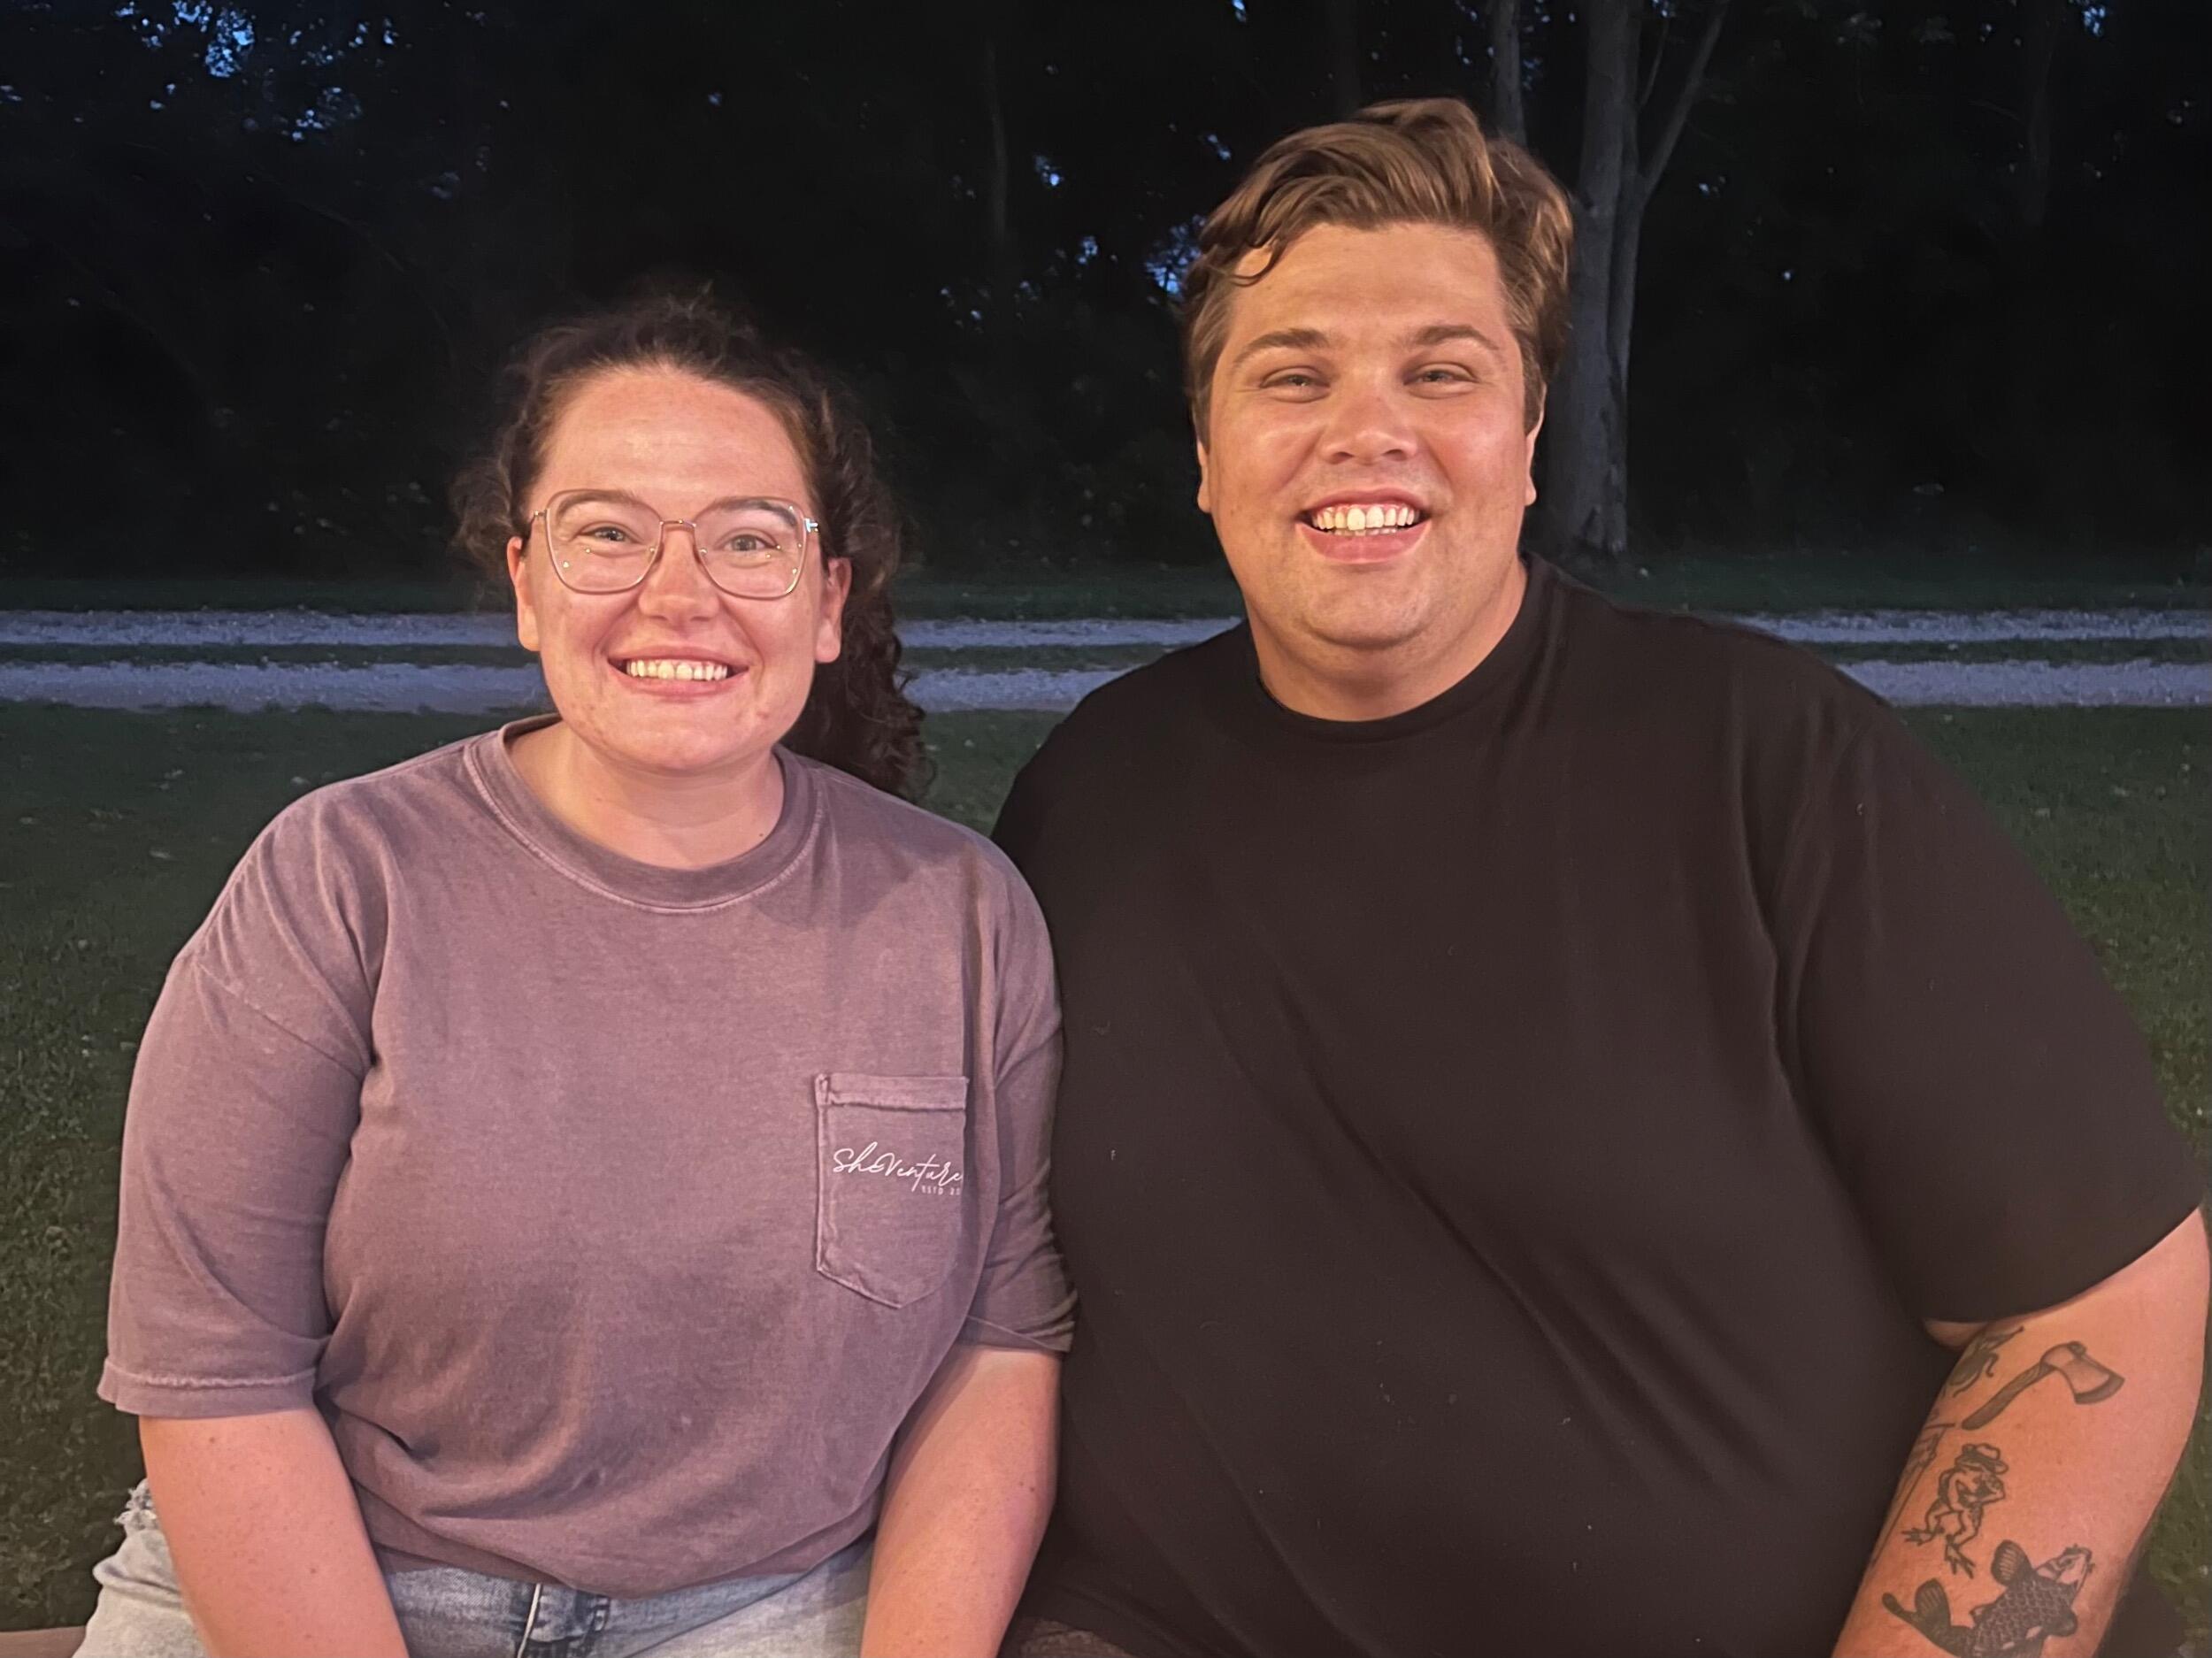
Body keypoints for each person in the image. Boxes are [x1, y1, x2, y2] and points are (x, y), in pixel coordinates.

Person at [991, 99, 2207, 1658]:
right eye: (1292, 375)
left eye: (1442, 372)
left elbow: (2098, 1296)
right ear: (1210, 457)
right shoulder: (1089, 798)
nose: (1367, 429)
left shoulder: (1768, 761)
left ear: (1527, 439)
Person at [80, 292, 1071, 1658]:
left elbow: (999, 1344)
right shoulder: (342, 878)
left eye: (747, 538)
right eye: (608, 532)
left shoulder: (958, 916)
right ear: (528, 583)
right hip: (322, 1571)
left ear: (828, 600)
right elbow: (214, 1371)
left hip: (764, 1604)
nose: (680, 592)